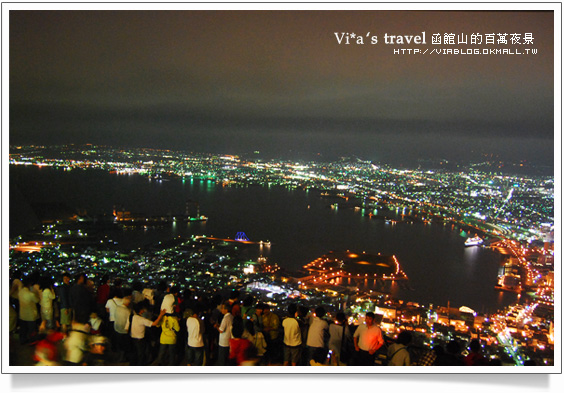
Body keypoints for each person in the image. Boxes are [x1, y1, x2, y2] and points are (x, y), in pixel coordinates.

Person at [126, 301, 166, 365]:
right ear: (141, 310)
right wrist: (161, 315)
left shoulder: (131, 317)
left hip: (132, 338)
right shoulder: (142, 319)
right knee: (141, 354)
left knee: (134, 354)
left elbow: (126, 328)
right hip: (140, 339)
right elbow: (154, 323)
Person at [18, 275, 40, 344]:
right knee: (32, 329)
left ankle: (22, 340)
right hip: (31, 315)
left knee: (23, 329)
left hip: (22, 314)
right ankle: (32, 341)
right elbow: (37, 300)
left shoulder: (20, 292)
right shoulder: (31, 294)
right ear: (29, 284)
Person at [215, 301, 234, 366]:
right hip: (229, 340)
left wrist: (217, 326)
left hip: (223, 342)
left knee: (222, 360)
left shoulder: (225, 318)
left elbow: (221, 330)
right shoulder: (231, 316)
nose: (221, 310)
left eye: (222, 308)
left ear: (226, 309)